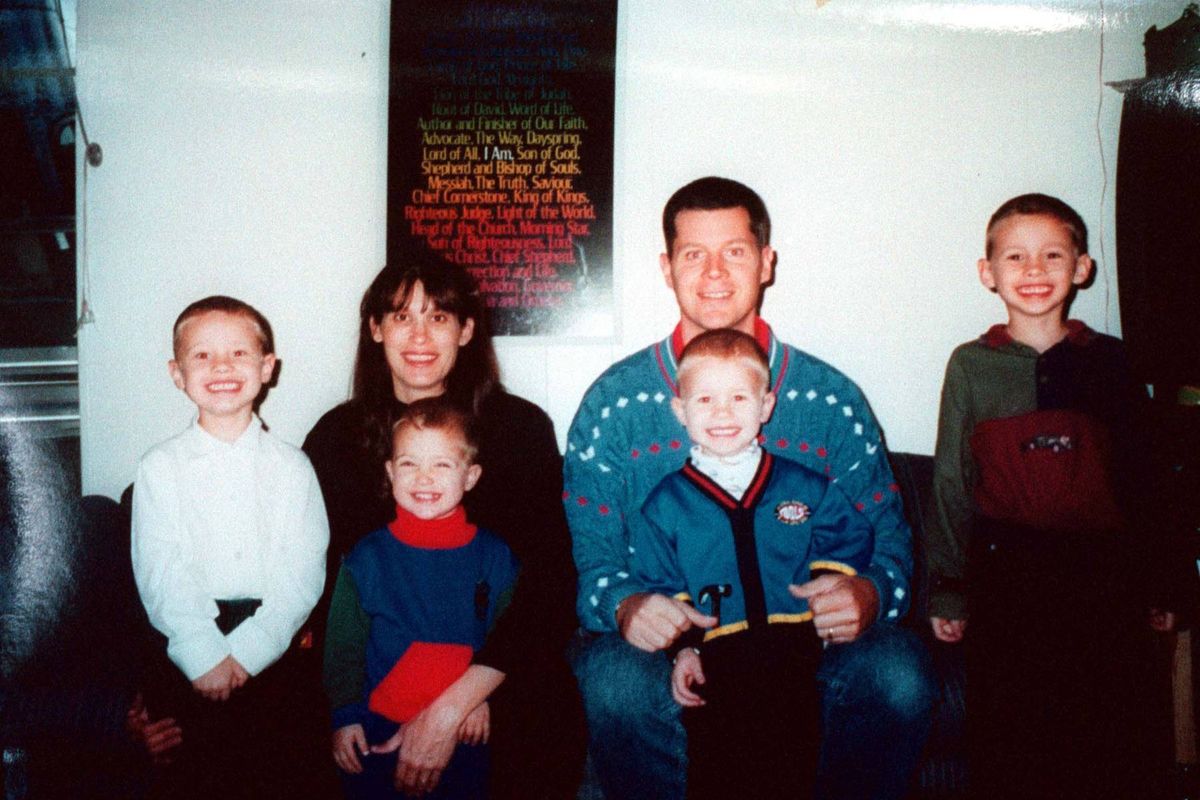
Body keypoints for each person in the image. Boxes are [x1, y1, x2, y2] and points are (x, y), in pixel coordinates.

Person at [565, 176, 935, 800]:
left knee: (899, 674)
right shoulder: (613, 404)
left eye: (734, 251)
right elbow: (594, 564)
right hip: (672, 647)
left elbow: (893, 547)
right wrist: (628, 607)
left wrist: (870, 593)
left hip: (806, 641)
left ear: (766, 263)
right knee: (615, 685)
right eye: (693, 254)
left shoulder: (830, 399)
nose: (713, 273)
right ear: (666, 267)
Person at [303, 250, 585, 799]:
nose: (419, 335)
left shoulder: (519, 431)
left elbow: (551, 582)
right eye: (402, 316)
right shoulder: (335, 440)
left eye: (438, 316)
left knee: (546, 711)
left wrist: (455, 705)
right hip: (370, 670)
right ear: (376, 329)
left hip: (490, 669)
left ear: (466, 329)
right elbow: (320, 586)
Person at [924, 193, 1179, 798]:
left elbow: (1144, 477)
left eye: (1052, 255)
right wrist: (949, 587)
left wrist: (1163, 582)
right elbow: (953, 480)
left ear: (1082, 268)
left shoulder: (1111, 361)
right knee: (1014, 735)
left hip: (1104, 579)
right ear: (989, 273)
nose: (1034, 270)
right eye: (1016, 256)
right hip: (1008, 577)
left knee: (1116, 733)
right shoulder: (970, 366)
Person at [634, 329, 874, 799]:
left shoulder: (802, 485)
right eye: (705, 399)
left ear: (765, 407)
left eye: (738, 398)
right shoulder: (666, 502)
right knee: (717, 769)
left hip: (795, 650)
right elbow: (658, 578)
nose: (722, 413)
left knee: (795, 764)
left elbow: (850, 534)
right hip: (717, 660)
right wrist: (683, 648)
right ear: (680, 411)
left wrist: (828, 584)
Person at [130, 295, 329, 800]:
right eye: (202, 355)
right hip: (187, 648)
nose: (221, 366)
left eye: (239, 354)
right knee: (195, 780)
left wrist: (249, 653)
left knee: (280, 779)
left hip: (274, 647)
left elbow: (303, 572)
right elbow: (159, 570)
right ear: (177, 373)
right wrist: (202, 654)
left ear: (267, 368)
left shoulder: (293, 467)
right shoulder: (159, 467)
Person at [324, 399, 518, 799]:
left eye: (442, 465)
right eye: (410, 464)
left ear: (470, 476)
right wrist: (344, 716)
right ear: (391, 472)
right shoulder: (366, 558)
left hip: (465, 729)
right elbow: (343, 647)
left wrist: (482, 699)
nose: (424, 479)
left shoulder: (496, 557)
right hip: (376, 728)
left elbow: (509, 642)